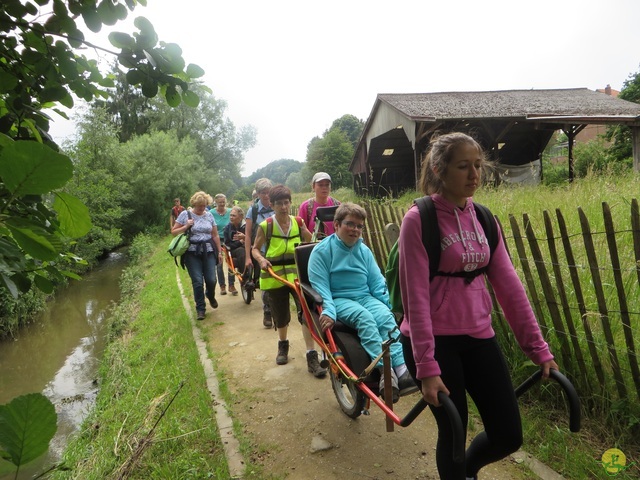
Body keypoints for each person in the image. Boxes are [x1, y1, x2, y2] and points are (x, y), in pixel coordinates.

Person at [397, 132, 559, 480]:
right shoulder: (419, 219)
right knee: (454, 432)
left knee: (508, 435)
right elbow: (416, 299)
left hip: (478, 336)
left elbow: (509, 286)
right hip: (434, 343)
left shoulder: (484, 218)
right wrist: (426, 367)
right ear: (440, 170)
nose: (475, 175)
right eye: (463, 166)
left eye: (477, 165)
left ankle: (467, 472)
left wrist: (538, 348)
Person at [308, 202, 416, 401]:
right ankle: (385, 372)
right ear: (337, 224)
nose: (355, 230)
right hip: (340, 298)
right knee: (364, 318)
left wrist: (391, 305)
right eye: (350, 224)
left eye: (359, 226)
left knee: (385, 317)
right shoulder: (321, 252)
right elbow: (321, 287)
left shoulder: (364, 250)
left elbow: (377, 282)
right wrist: (329, 311)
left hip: (364, 296)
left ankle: (401, 368)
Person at [251, 185, 327, 378]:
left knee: (307, 314)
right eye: (279, 204)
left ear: (290, 203)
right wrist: (261, 260)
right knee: (281, 315)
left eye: (286, 203)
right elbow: (255, 249)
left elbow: (311, 243)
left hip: (297, 276)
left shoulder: (298, 222)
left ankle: (312, 355)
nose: (283, 207)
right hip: (275, 277)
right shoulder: (266, 226)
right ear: (272, 205)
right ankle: (283, 345)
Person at [171, 191, 223, 320]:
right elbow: (173, 231)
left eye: (204, 205)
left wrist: (220, 252)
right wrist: (186, 226)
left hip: (209, 251)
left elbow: (215, 235)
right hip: (191, 253)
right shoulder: (185, 214)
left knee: (211, 279)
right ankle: (200, 308)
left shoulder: (209, 215)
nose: (202, 208)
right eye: (199, 205)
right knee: (197, 281)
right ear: (194, 204)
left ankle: (210, 295)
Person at [245, 178, 275, 328]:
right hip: (261, 252)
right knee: (266, 283)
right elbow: (248, 235)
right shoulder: (253, 210)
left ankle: (278, 309)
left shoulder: (277, 205)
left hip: (277, 249)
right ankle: (267, 311)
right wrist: (247, 257)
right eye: (263, 193)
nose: (267, 196)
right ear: (258, 194)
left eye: (268, 192)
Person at [298, 172, 340, 237]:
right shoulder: (306, 207)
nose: (324, 188)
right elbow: (301, 231)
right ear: (313, 186)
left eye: (327, 185)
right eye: (320, 185)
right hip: (313, 246)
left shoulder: (337, 205)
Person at [211, 194, 236, 295]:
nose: (222, 204)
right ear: (216, 202)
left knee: (231, 261)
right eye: (220, 202)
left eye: (223, 202)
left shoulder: (230, 211)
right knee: (219, 263)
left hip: (229, 239)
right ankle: (222, 286)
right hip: (217, 240)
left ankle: (231, 285)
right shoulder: (211, 213)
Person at [223, 205, 247, 295]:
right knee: (240, 251)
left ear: (241, 217)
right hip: (233, 251)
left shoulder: (247, 226)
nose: (231, 217)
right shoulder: (227, 228)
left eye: (234, 215)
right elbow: (227, 244)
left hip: (248, 249)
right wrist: (240, 242)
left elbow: (253, 239)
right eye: (231, 215)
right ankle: (244, 276)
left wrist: (244, 238)